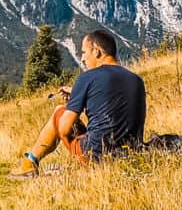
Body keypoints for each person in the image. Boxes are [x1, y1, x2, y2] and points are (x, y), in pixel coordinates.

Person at [8, 29, 146, 179]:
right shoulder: (137, 80)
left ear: (96, 51)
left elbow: (64, 128)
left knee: (59, 112)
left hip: (95, 155)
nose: (82, 59)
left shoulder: (88, 77)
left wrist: (73, 105)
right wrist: (78, 95)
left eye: (84, 52)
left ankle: (29, 165)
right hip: (131, 154)